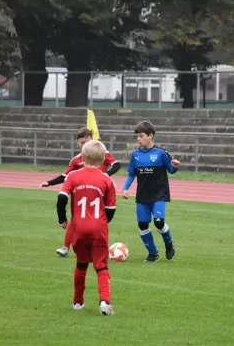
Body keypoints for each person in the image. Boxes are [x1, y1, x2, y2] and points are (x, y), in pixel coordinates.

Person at [57, 140, 117, 316]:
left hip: (78, 228)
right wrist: (103, 223)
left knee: (81, 264)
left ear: (82, 156)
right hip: (98, 228)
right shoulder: (107, 180)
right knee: (101, 266)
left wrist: (62, 219)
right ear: (102, 160)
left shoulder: (73, 176)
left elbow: (62, 198)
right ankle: (105, 302)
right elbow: (111, 209)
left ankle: (78, 302)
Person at [40, 127, 120, 257]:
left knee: (101, 217)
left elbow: (116, 164)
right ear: (78, 143)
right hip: (83, 191)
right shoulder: (77, 160)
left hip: (100, 191)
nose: (86, 145)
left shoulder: (102, 152)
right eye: (82, 143)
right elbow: (65, 175)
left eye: (88, 142)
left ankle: (99, 246)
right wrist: (49, 183)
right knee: (77, 217)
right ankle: (65, 247)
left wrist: (105, 175)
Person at [122, 121, 180, 262]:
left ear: (150, 136)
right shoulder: (135, 155)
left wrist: (175, 166)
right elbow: (131, 174)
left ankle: (169, 243)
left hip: (159, 195)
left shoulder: (161, 153)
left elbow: (171, 170)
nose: (138, 139)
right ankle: (153, 253)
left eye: (141, 136)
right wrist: (125, 188)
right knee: (142, 225)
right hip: (142, 196)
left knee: (159, 222)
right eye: (137, 136)